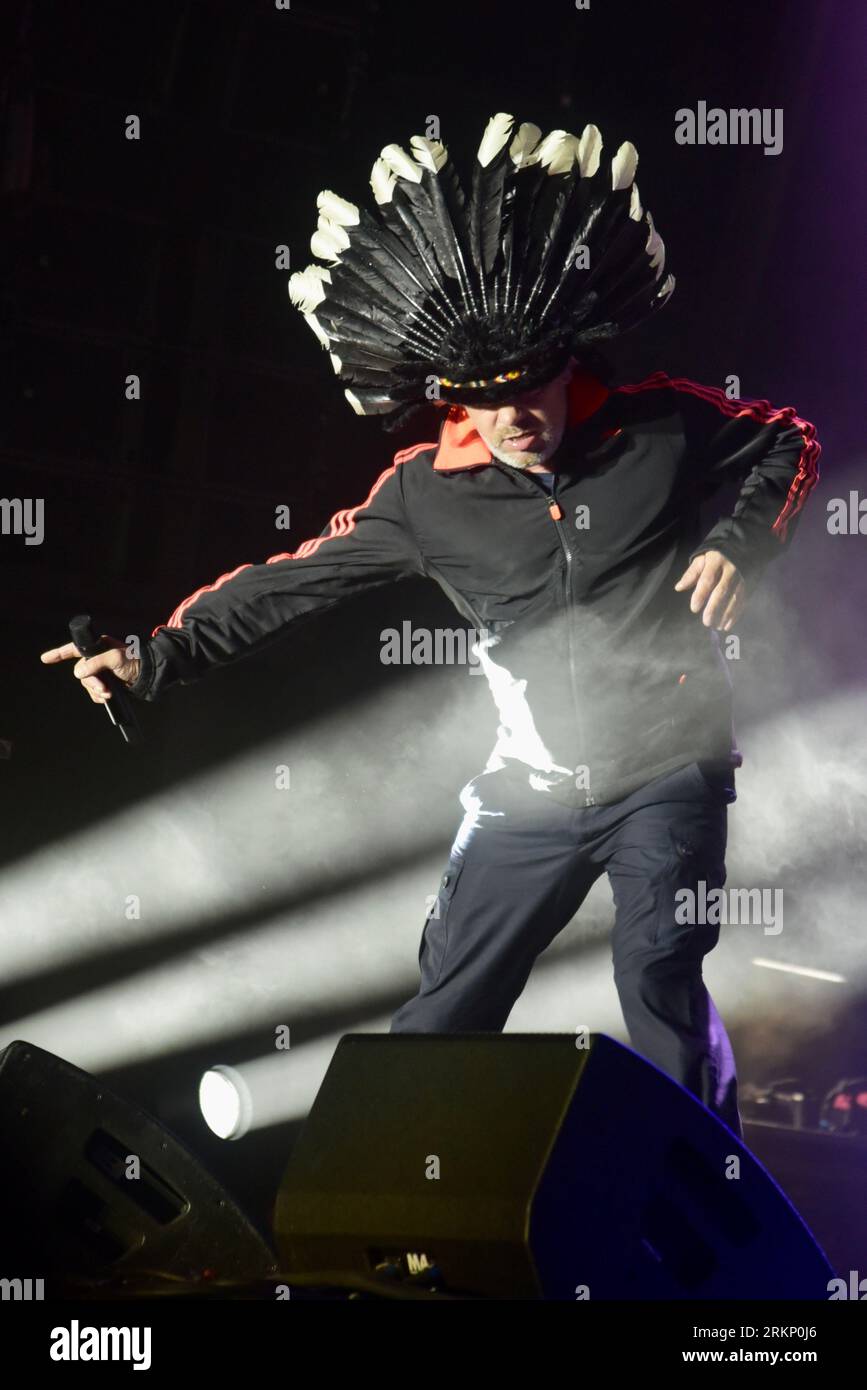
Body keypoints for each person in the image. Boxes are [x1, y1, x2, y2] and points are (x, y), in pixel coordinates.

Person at [40, 114, 820, 1137]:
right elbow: (293, 582)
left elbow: (787, 441)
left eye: (531, 385)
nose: (514, 417)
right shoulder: (424, 497)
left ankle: (700, 1188)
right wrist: (155, 655)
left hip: (667, 771)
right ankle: (400, 1205)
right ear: (451, 398)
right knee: (444, 1009)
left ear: (567, 359)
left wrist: (740, 545)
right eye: (484, 400)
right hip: (530, 787)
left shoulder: (658, 428)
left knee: (658, 974)